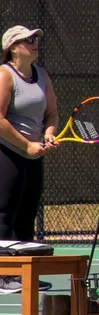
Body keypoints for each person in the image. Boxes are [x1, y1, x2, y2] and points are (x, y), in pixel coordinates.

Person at [0, 25, 57, 268]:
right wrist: (27, 145)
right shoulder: (5, 75)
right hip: (7, 153)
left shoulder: (41, 74)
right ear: (13, 47)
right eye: (28, 40)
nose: (35, 43)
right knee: (4, 214)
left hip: (34, 157)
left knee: (27, 216)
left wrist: (49, 133)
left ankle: (23, 272)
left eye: (36, 39)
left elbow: (52, 113)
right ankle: (4, 274)